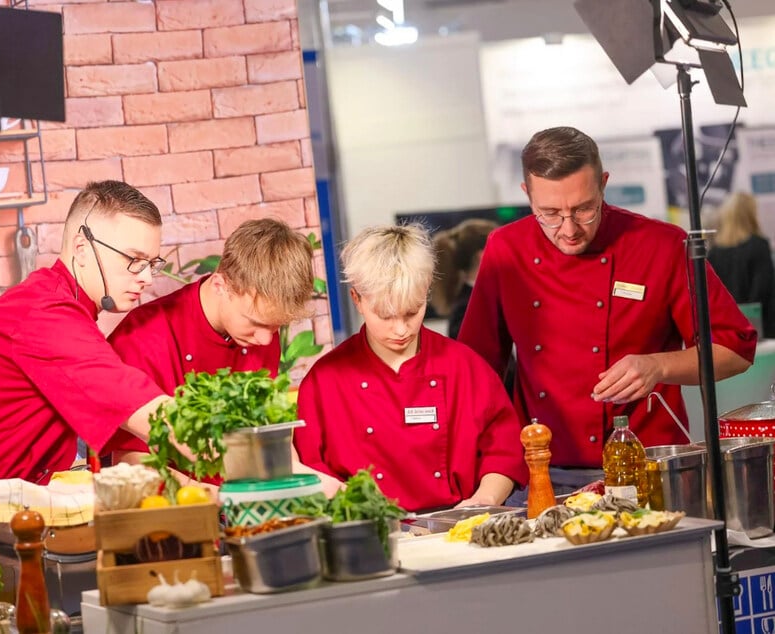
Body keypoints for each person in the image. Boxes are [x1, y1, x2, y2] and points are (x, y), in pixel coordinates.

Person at [457, 126, 757, 496]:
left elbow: (736, 350)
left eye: (584, 209)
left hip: (651, 468)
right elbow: (475, 369)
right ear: (527, 194)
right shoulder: (506, 249)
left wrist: (658, 366)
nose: (568, 229)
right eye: (549, 213)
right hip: (541, 474)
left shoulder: (661, 245)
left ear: (603, 184)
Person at [0, 180, 171, 483]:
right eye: (133, 260)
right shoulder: (46, 315)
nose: (146, 278)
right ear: (82, 248)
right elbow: (139, 406)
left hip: (0, 495)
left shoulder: (54, 302)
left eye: (151, 263)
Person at [293, 224, 528, 513]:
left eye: (412, 311)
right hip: (369, 534)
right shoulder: (325, 381)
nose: (401, 329)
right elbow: (310, 472)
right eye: (386, 316)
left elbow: (503, 450)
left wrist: (485, 499)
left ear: (427, 288)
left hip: (456, 526)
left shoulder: (464, 367)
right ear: (357, 299)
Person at [107, 218, 343, 495]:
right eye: (255, 322)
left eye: (276, 327)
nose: (265, 339)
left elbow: (263, 441)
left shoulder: (259, 332)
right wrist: (219, 498)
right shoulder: (141, 339)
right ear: (220, 285)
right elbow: (126, 463)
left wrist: (317, 485)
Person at [707, 192, 775, 338]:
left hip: (728, 331)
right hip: (761, 328)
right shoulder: (759, 246)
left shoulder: (713, 254)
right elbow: (762, 291)